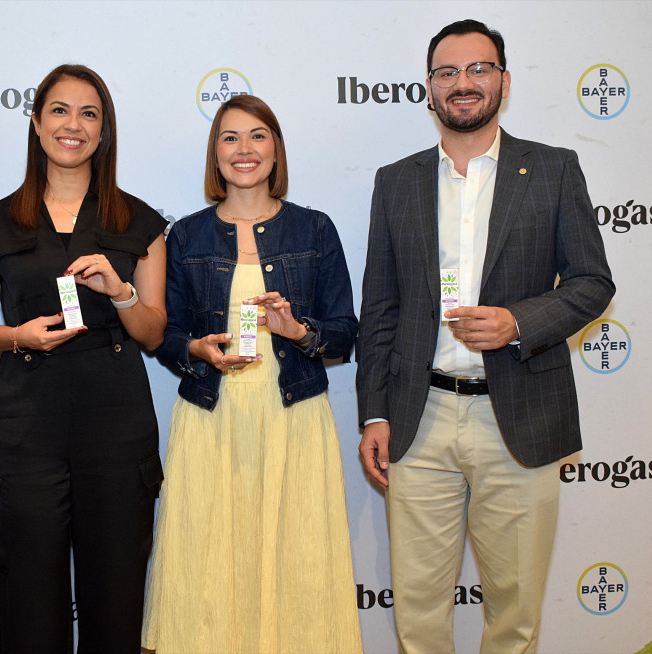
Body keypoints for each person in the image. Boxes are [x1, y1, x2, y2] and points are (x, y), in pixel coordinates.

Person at [356, 19, 615, 654]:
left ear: (503, 79)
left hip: (520, 415)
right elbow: (380, 307)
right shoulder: (397, 181)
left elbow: (591, 282)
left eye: (478, 69)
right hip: (420, 418)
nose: (463, 83)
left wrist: (518, 323)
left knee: (516, 617)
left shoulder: (553, 170)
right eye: (448, 72)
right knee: (417, 616)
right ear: (428, 89)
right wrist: (374, 413)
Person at [142, 95, 362, 653]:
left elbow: (343, 331)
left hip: (292, 417)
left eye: (258, 135)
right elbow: (163, 336)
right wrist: (197, 348)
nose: (245, 149)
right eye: (230, 137)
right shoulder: (185, 236)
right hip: (212, 418)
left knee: (298, 559)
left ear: (276, 149)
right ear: (215, 154)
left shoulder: (314, 229)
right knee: (209, 561)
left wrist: (295, 331)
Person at [0, 64, 167, 653]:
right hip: (28, 427)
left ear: (104, 132)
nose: (72, 125)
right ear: (35, 122)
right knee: (29, 603)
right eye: (59, 110)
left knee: (116, 597)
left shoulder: (139, 223)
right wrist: (18, 336)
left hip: (116, 426)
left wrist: (120, 293)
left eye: (88, 113)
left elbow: (153, 331)